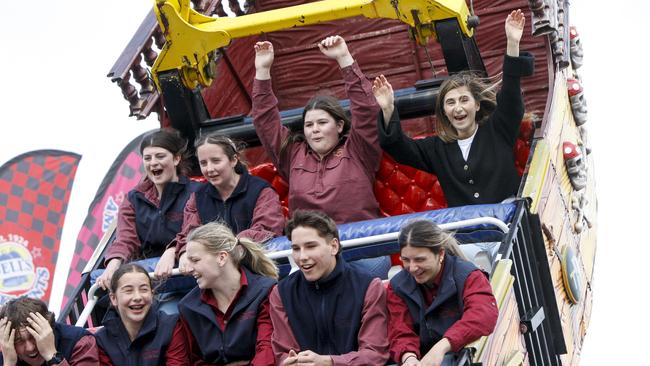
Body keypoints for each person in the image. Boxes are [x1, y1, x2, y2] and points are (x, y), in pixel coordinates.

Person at [373, 10, 534, 207]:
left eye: (464, 100)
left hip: (508, 224)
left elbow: (510, 95)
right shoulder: (436, 148)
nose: (458, 107)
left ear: (476, 105)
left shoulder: (497, 129)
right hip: (468, 232)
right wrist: (388, 107)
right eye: (450, 103)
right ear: (444, 111)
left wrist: (512, 42)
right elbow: (398, 147)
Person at [252, 35, 383, 224]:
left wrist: (344, 57)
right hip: (309, 249)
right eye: (309, 125)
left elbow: (367, 110)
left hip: (360, 245)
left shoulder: (358, 149)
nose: (315, 130)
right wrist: (262, 70)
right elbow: (265, 121)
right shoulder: (292, 155)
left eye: (322, 123)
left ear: (339, 126)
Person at [269, 210, 389, 365]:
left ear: (333, 246)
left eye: (310, 246)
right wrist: (289, 361)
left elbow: (375, 354)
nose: (302, 257)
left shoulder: (368, 287)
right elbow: (283, 352)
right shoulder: (281, 292)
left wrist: (330, 362)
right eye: (296, 249)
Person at [96, 129, 198, 290]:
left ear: (176, 158)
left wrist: (172, 251)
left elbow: (193, 229)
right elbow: (125, 239)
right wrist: (112, 265)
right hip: (150, 270)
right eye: (147, 158)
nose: (153, 163)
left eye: (160, 156)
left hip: (184, 263)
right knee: (97, 278)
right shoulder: (134, 198)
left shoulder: (196, 191)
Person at [387, 220, 498, 366]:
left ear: (440, 254)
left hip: (461, 355)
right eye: (406, 260)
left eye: (420, 259)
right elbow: (399, 330)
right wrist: (408, 357)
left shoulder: (468, 276)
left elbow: (483, 315)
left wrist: (441, 347)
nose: (412, 268)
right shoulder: (397, 286)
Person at [176, 133, 285, 272]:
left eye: (216, 161)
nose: (209, 169)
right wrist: (184, 252)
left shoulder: (261, 190)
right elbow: (189, 234)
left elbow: (267, 229)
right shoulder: (197, 198)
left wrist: (227, 246)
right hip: (216, 274)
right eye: (203, 163)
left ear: (233, 160)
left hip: (257, 269)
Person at [172, 222, 278, 365]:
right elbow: (195, 360)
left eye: (195, 260)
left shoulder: (265, 291)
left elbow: (267, 349)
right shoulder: (188, 306)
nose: (188, 269)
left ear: (222, 257)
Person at [95, 263, 184, 365]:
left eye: (143, 289)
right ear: (114, 298)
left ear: (152, 294)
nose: (137, 297)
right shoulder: (102, 339)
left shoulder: (172, 326)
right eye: (128, 291)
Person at [0, 297, 98, 366]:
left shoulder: (80, 342)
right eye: (19, 341)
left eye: (34, 336)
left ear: (49, 327)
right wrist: (9, 363)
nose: (30, 348)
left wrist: (52, 356)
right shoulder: (7, 353)